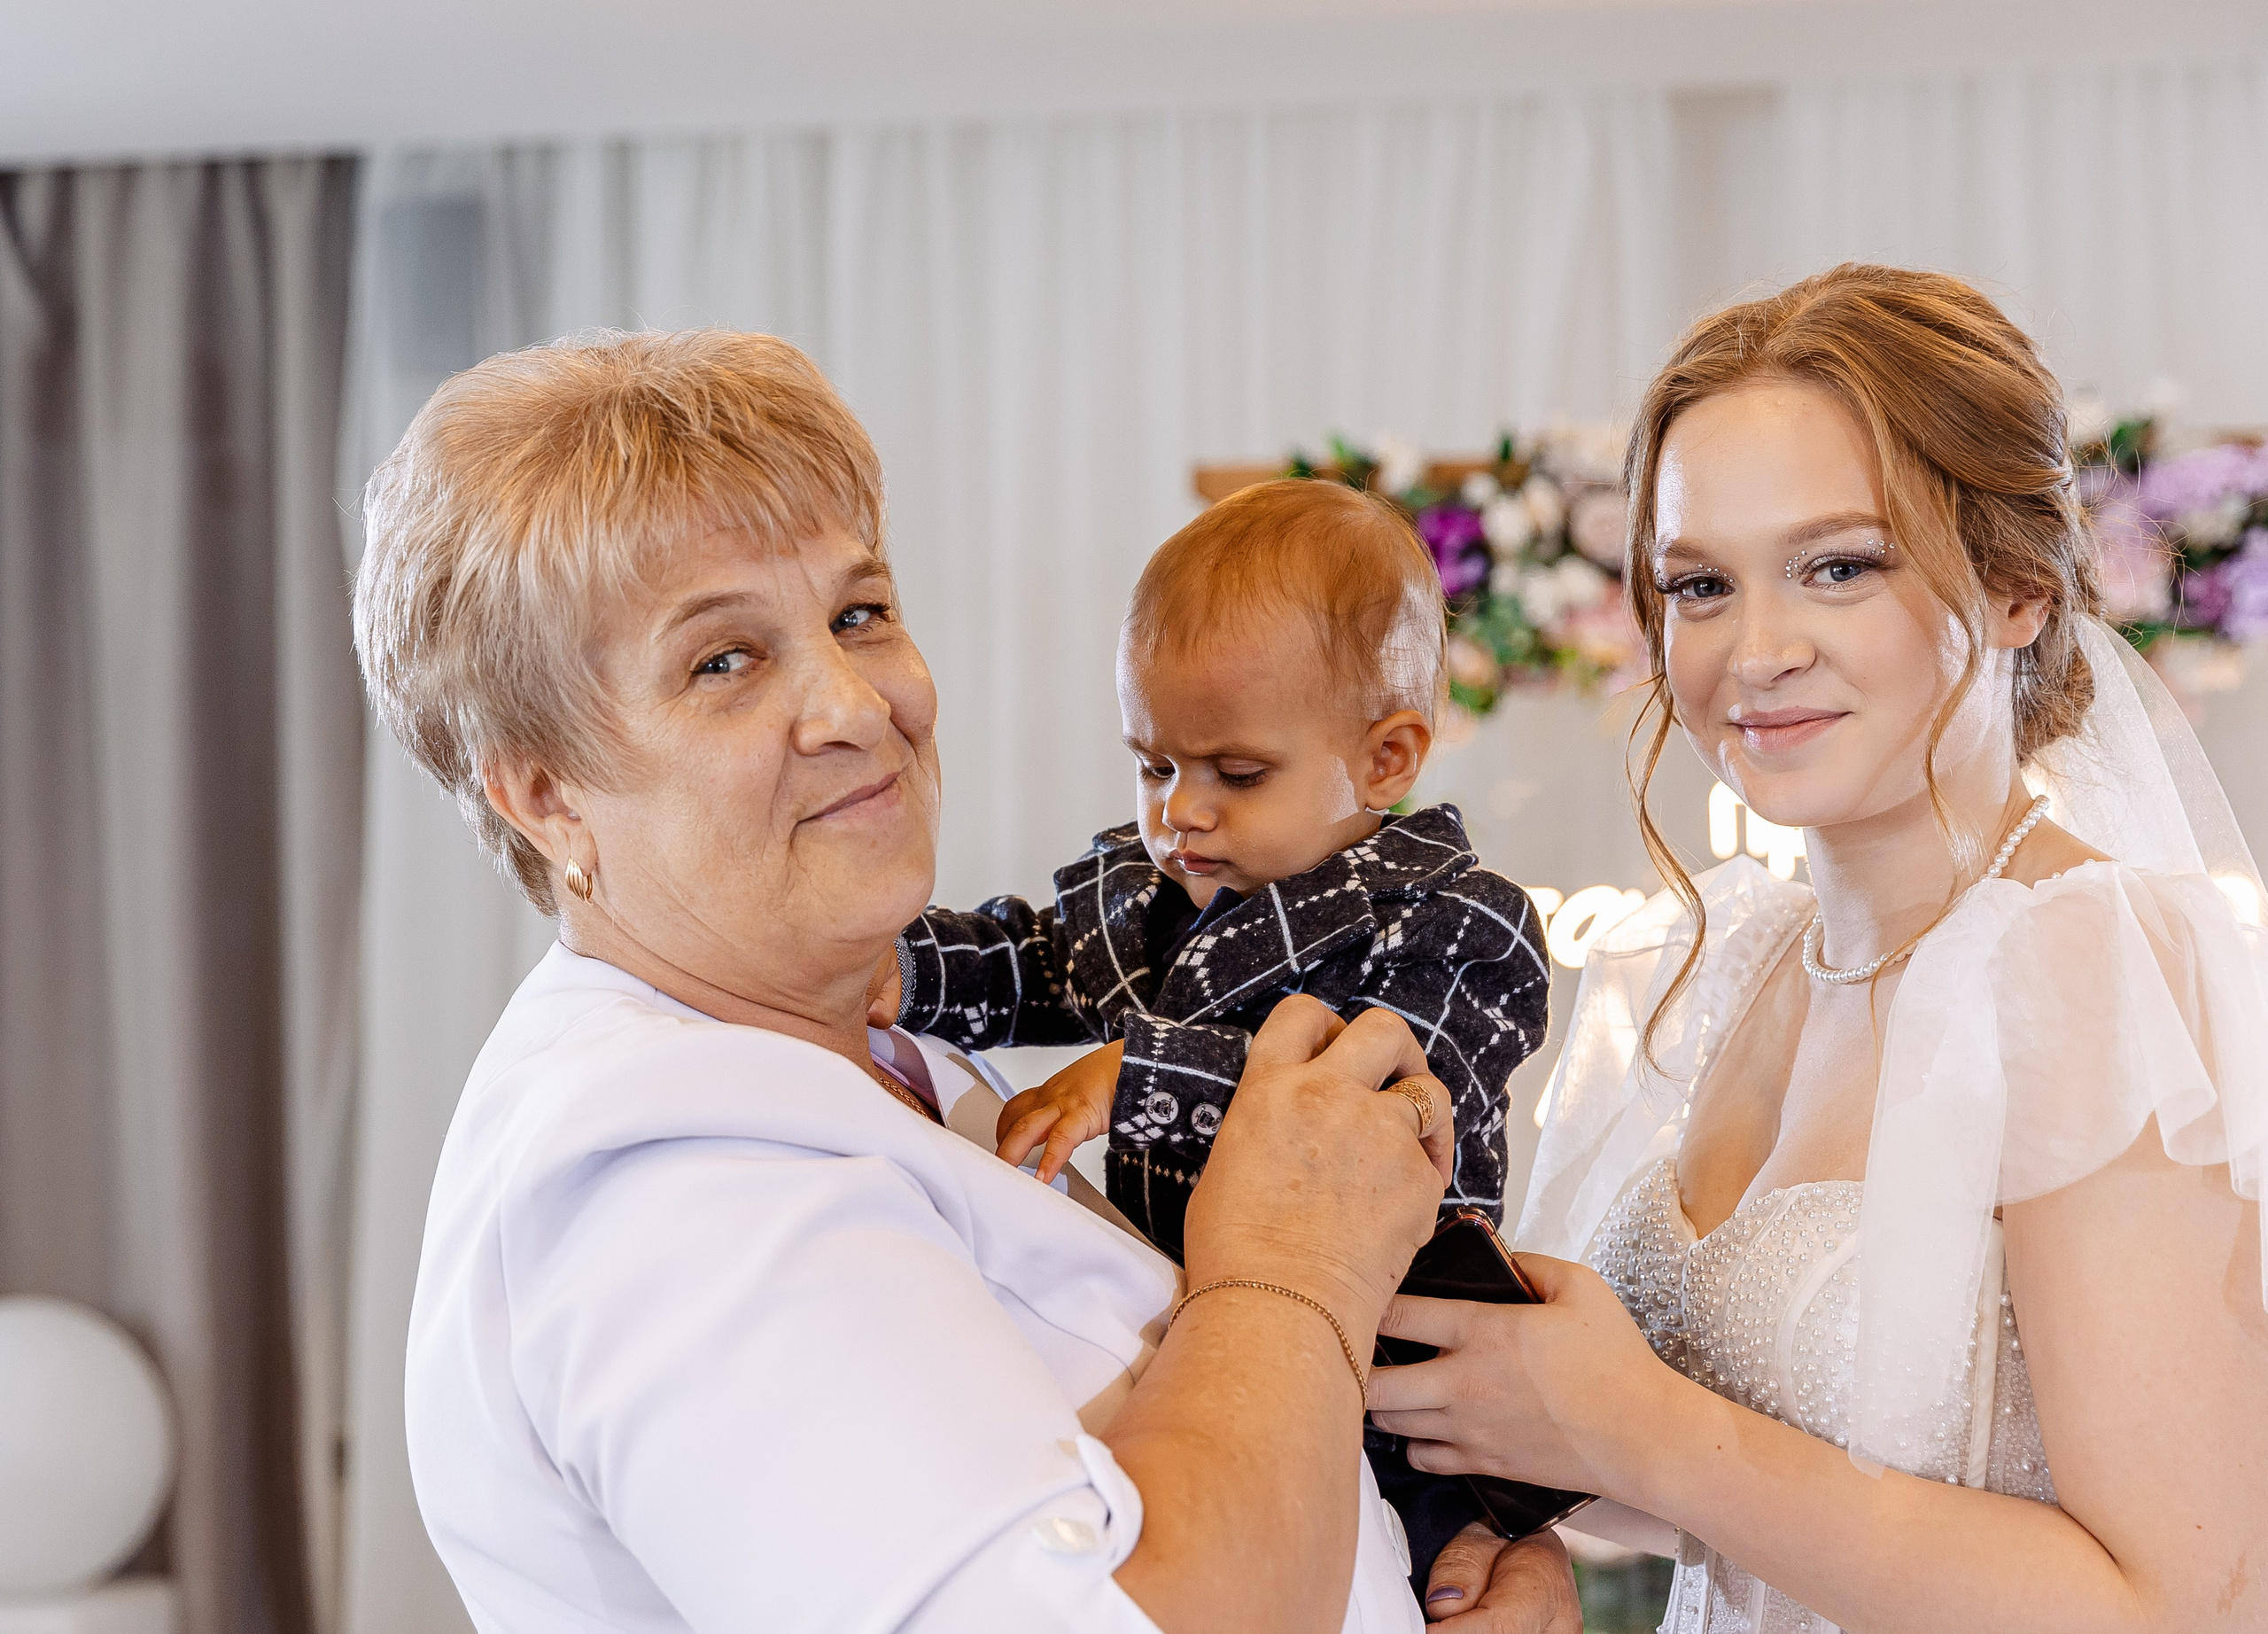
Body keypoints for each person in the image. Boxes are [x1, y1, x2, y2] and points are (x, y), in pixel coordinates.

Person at [353, 326, 1581, 1634]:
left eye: (858, 614)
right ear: (546, 796)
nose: (854, 704)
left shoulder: (879, 1062)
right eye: (725, 660)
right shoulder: (674, 1192)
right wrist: (1292, 1267)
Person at [1367, 264, 2268, 1630]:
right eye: (1701, 584)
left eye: (1838, 567)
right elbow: (1739, 1479)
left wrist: (1638, 1433)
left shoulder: (2094, 968)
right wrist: (1525, 1521)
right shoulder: (1729, 962)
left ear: (2020, 587)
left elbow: (2177, 1606)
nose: (1755, 651)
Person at [876, 479, 1549, 1257]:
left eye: (1237, 773)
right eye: (1156, 766)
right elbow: (1030, 963)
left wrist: (1140, 1073)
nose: (1182, 811)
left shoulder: (1454, 924)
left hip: (1388, 1330)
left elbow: (1364, 1106)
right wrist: (897, 964)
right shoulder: (1158, 896)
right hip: (1189, 1297)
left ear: (1386, 760)